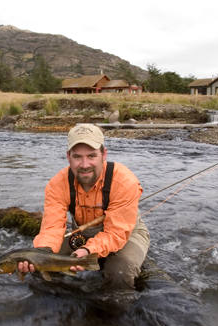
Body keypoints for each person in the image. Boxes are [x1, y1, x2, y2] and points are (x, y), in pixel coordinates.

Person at [18, 123, 150, 290]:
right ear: (68, 156)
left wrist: (88, 251)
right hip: (82, 232)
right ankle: (58, 306)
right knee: (40, 268)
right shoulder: (57, 185)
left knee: (118, 274)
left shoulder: (124, 182)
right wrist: (40, 255)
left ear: (104, 154)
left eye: (92, 156)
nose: (85, 164)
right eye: (77, 157)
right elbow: (51, 228)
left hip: (126, 233)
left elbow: (116, 233)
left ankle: (115, 311)